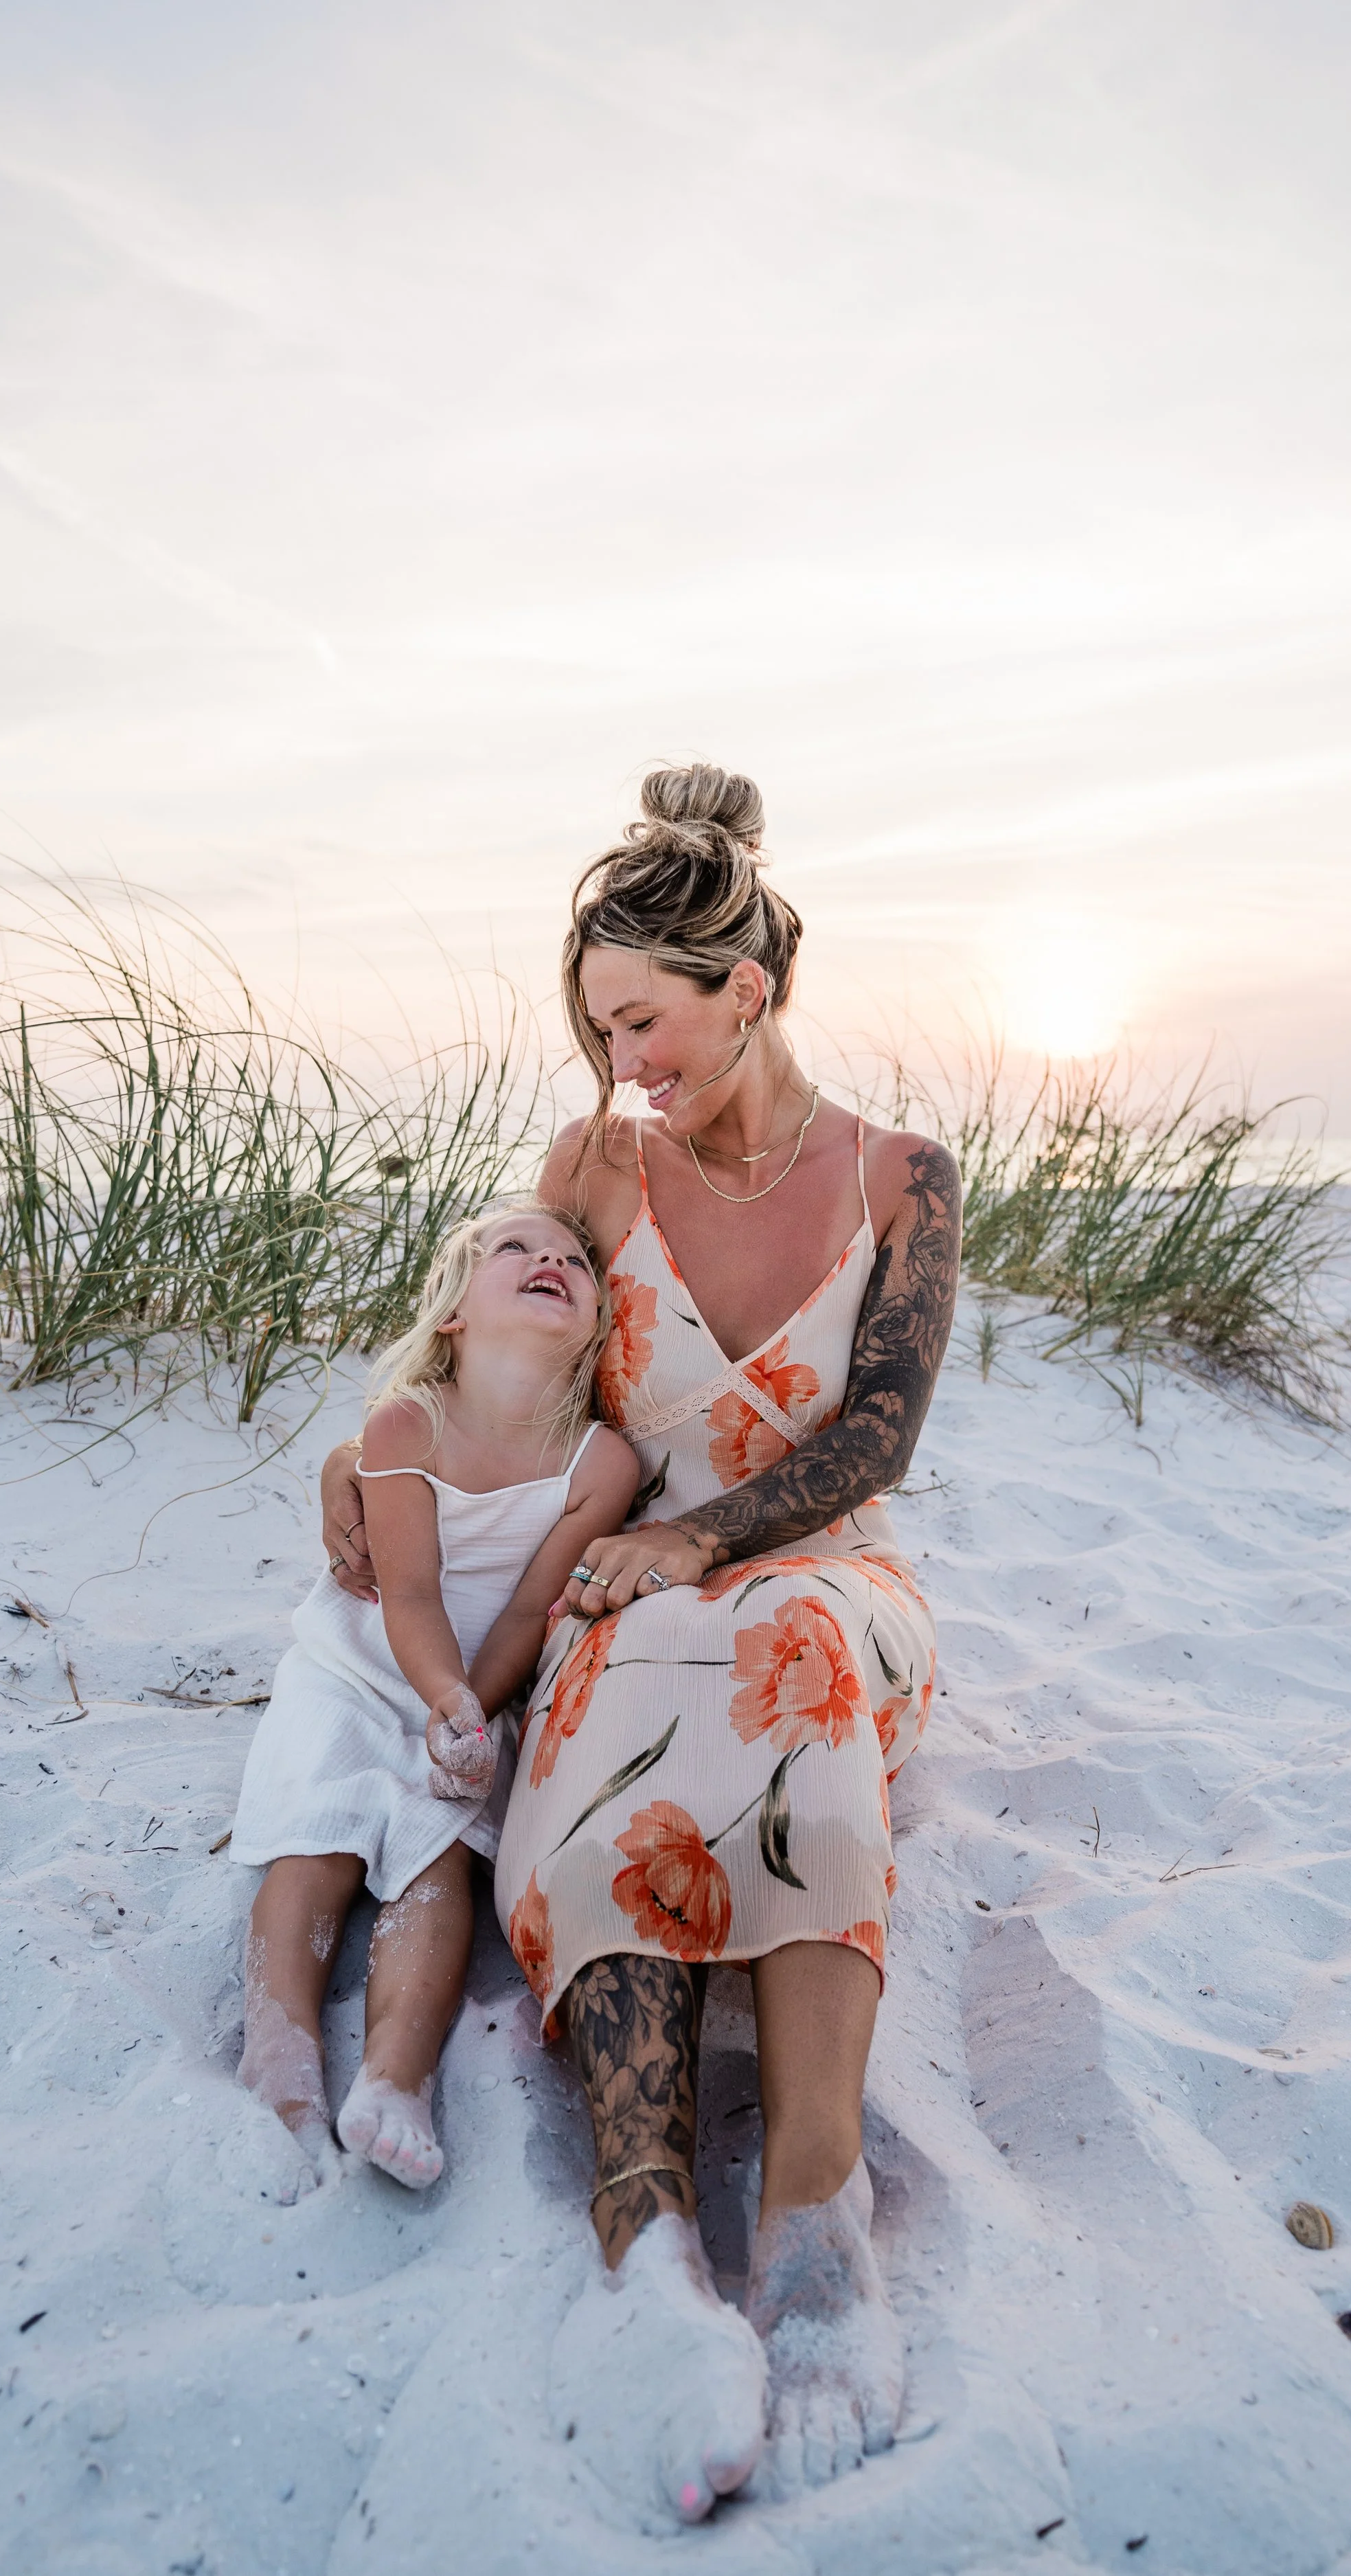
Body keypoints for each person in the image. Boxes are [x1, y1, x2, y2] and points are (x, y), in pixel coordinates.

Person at [322, 763, 960, 2524]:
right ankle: (649, 2249)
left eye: (642, 1020)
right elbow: (493, 1351)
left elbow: (877, 1437)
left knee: (800, 1665)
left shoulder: (903, 1175)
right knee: (601, 1763)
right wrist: (366, 1440)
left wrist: (703, 1536)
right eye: (599, 1028)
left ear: (741, 988)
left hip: (820, 1562)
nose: (621, 1061)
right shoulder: (596, 1166)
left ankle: (819, 2220)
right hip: (619, 1574)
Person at [234, 1204, 639, 2195]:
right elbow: (407, 1593)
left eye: (575, 1260)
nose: (552, 1259)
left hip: (478, 1684)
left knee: (441, 1861)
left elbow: (528, 1614)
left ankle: (395, 2077)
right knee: (317, 1836)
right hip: (363, 1659)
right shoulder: (407, 1419)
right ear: (454, 1312)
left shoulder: (601, 1461)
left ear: (595, 1321)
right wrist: (440, 1689)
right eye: (517, 1249)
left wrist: (469, 1712)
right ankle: (279, 2044)